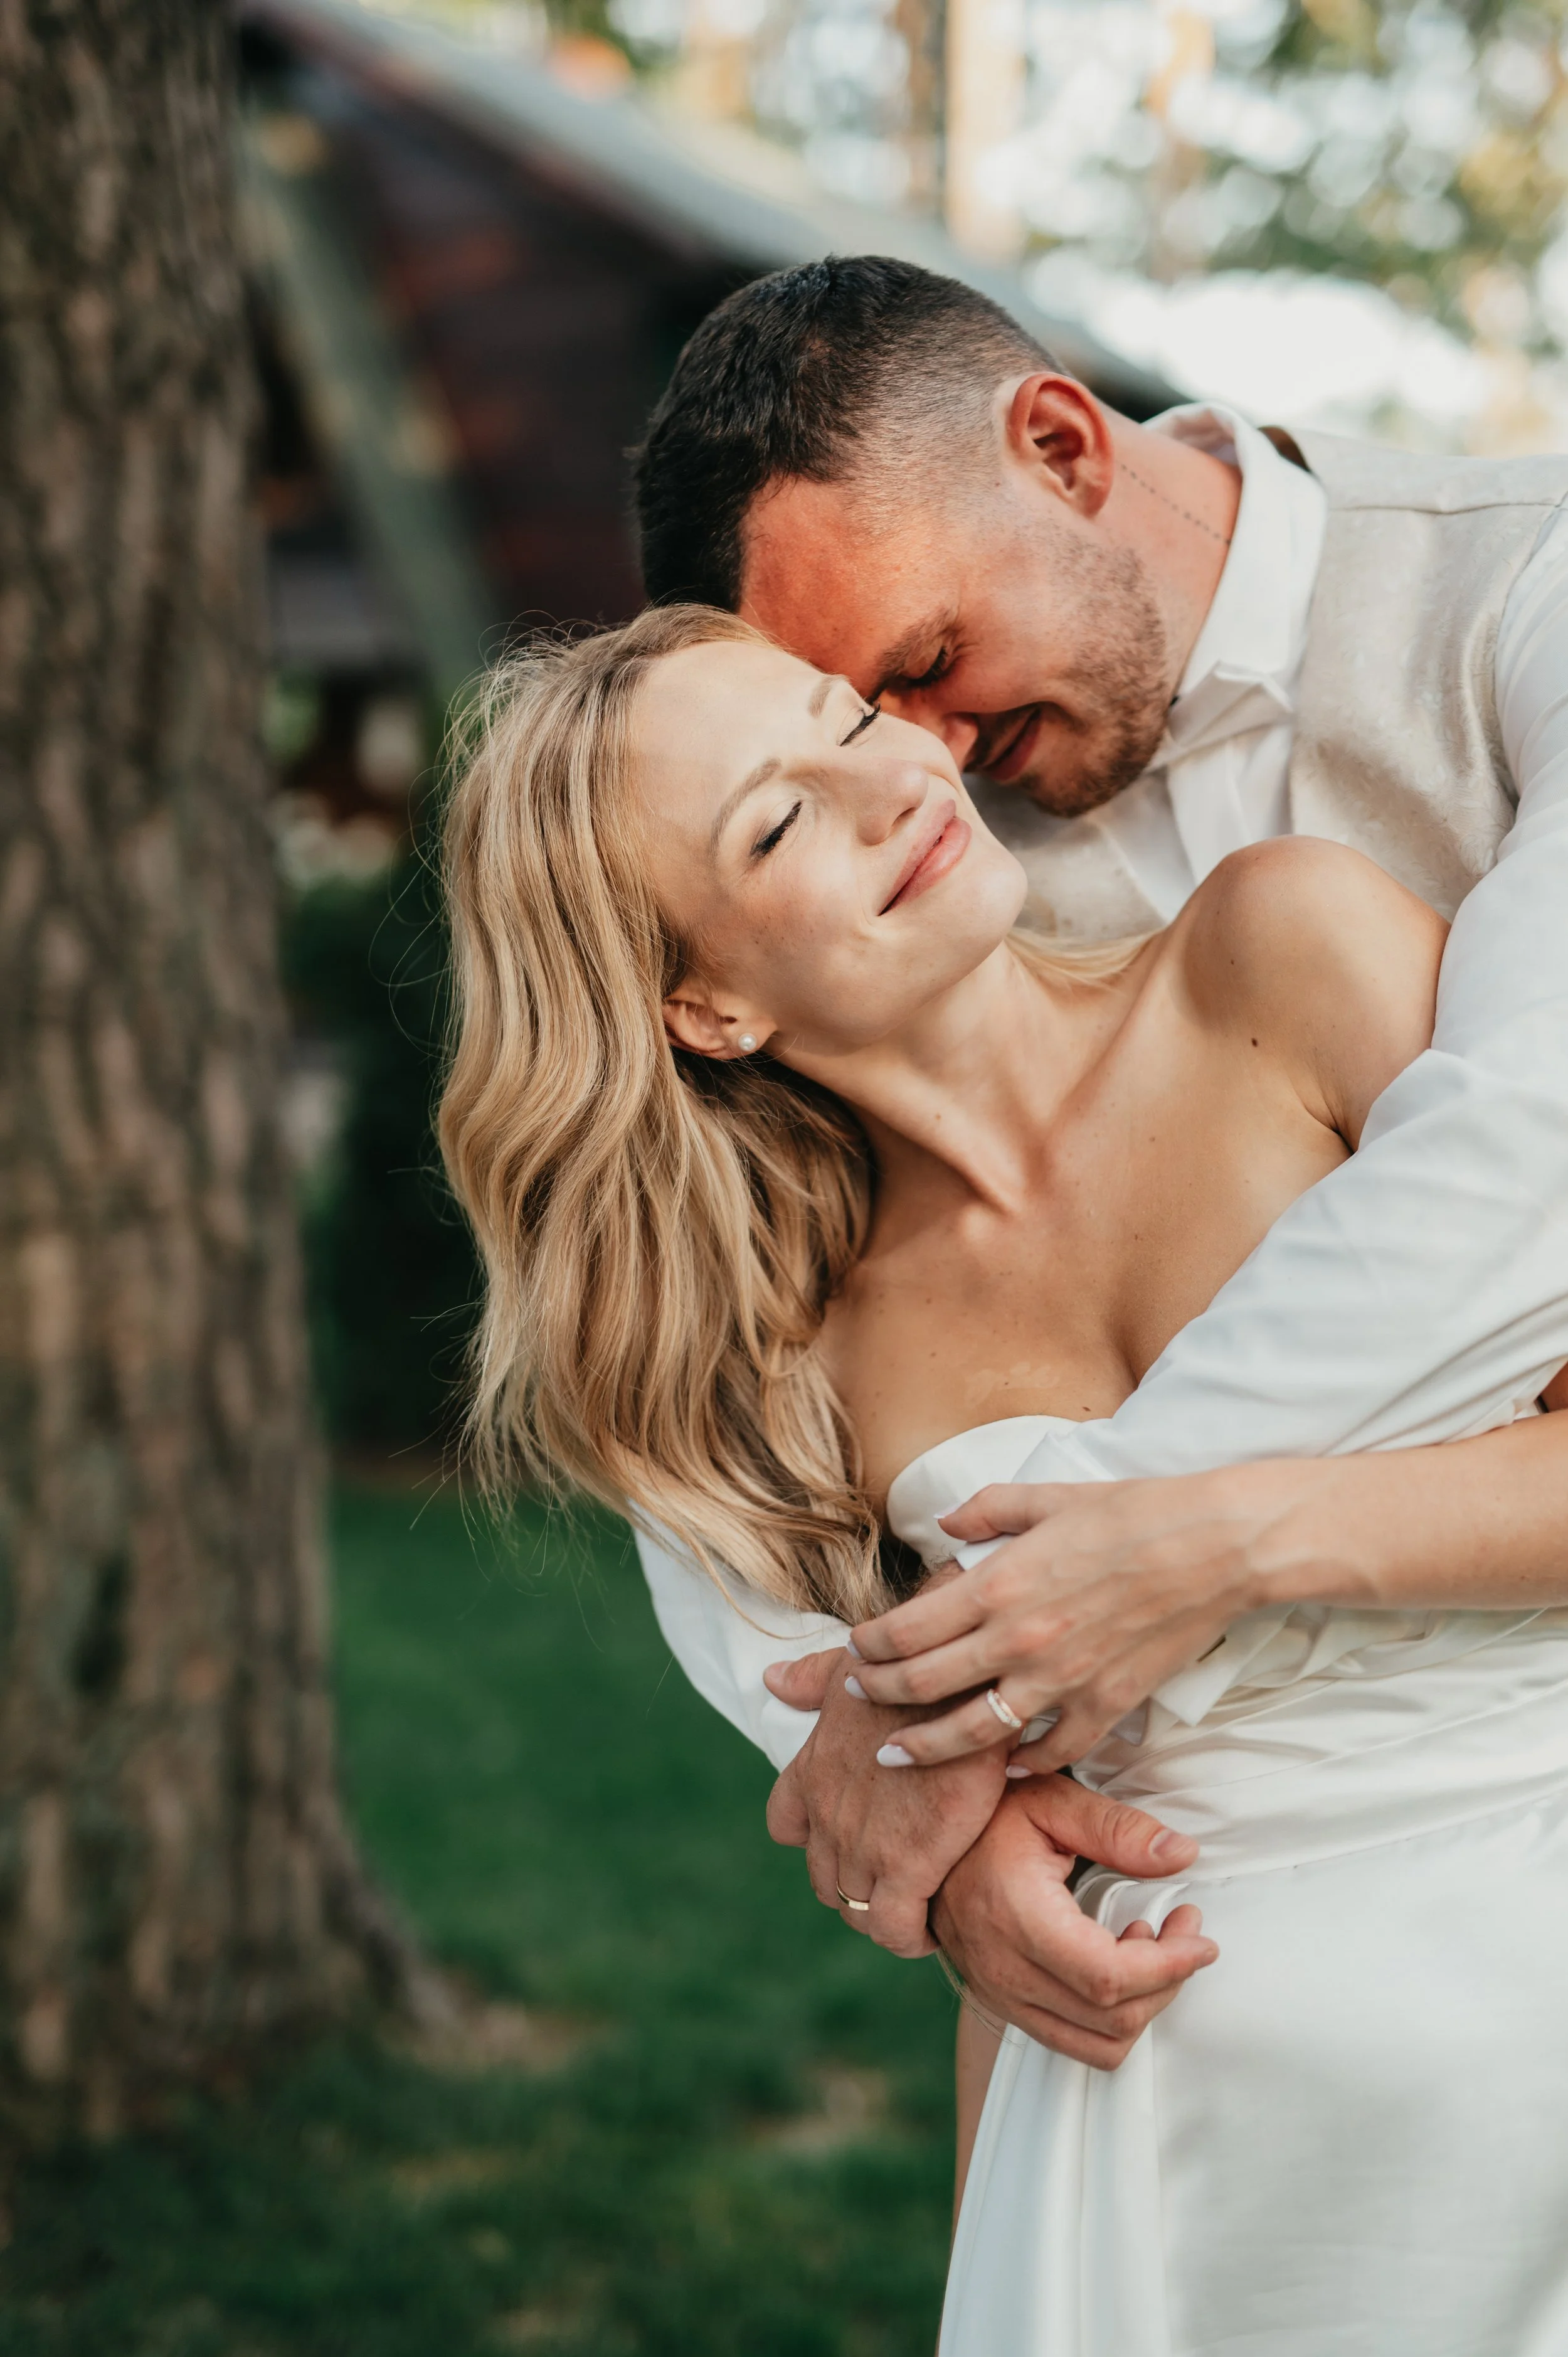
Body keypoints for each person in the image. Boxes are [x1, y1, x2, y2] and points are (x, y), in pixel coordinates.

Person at [437, 604, 1568, 2354]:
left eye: (847, 715)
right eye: (777, 819)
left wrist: (1219, 1547)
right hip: (1175, 2114)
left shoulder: (1278, 957)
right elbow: (968, 1842)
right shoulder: (787, 1365)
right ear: (705, 1001)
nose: (887, 784)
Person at [629, 254, 1568, 2063]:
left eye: (916, 669)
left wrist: (1000, 1663)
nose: (923, 762)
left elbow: (1536, 1118)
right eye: (846, 717)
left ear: (1059, 445)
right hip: (1179, 2013)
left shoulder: (1528, 580)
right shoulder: (924, 881)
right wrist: (924, 1813)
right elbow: (709, 1366)